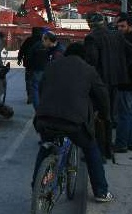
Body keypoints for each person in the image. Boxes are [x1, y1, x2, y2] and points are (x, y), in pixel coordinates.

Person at [32, 42, 113, 202]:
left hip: (44, 119)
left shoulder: (51, 66)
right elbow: (102, 96)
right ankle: (101, 192)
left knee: (45, 147)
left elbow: (41, 89)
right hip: (74, 122)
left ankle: (36, 185)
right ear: (85, 57)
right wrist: (105, 116)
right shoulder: (89, 70)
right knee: (91, 149)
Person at [84, 13, 132, 158]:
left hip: (99, 83)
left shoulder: (92, 38)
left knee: (96, 116)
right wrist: (122, 67)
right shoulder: (117, 35)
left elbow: (92, 61)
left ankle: (99, 150)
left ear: (90, 24)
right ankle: (107, 150)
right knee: (109, 116)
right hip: (116, 81)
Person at [113, 16, 132, 153]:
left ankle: (121, 143)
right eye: (118, 26)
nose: (120, 29)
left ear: (130, 26)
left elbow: (128, 58)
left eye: (123, 26)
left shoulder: (129, 40)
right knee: (129, 114)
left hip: (126, 81)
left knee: (123, 114)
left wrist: (122, 69)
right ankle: (130, 142)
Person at [17, 27, 43, 104]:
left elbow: (22, 50)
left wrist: (19, 59)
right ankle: (38, 97)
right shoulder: (43, 41)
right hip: (40, 66)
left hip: (29, 65)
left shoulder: (28, 40)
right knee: (39, 82)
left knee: (29, 81)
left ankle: (30, 97)